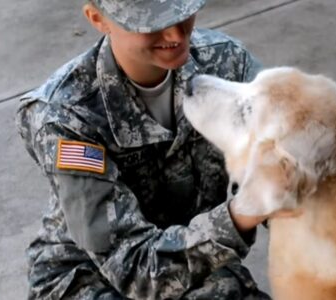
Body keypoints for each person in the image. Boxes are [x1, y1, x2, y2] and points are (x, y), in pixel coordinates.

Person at [16, 0, 274, 298]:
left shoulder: (225, 63)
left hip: (193, 258)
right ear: (98, 18)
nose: (176, 34)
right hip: (89, 278)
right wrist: (244, 211)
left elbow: (283, 162)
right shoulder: (65, 114)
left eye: (180, 12)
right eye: (150, 23)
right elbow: (132, 267)